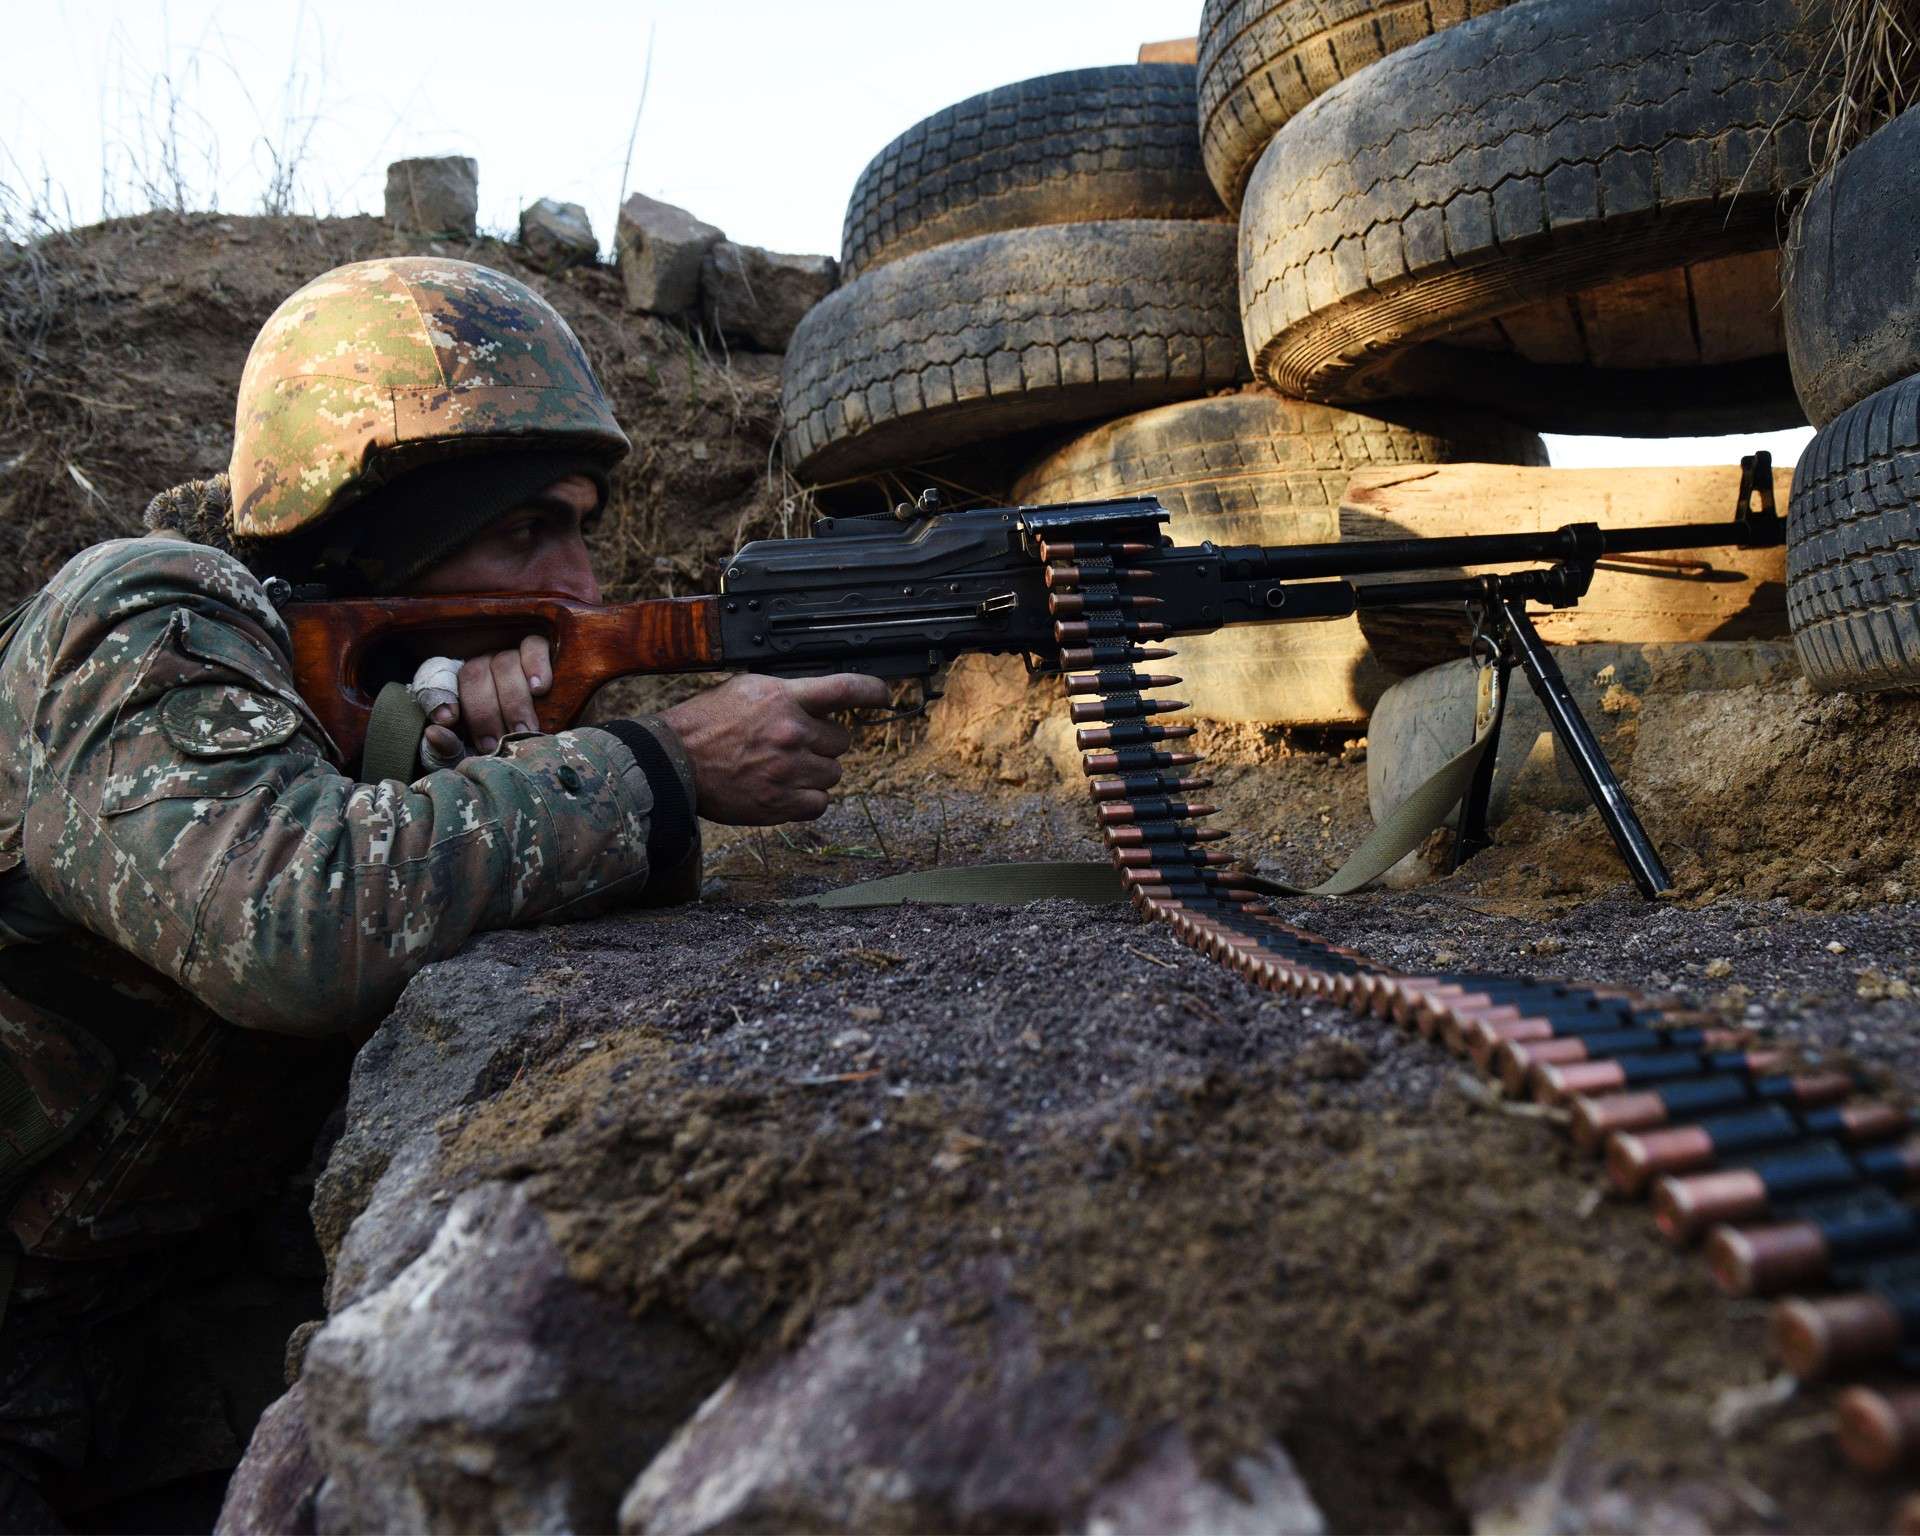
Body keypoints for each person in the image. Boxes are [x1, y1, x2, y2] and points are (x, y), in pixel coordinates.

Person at [0, 255, 885, 1528]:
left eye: (580, 528)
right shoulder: (142, 613)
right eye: (528, 531)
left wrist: (421, 756)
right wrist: (663, 768)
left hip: (142, 1334)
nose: (580, 586)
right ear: (373, 534)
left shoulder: (327, 679)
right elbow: (289, 918)